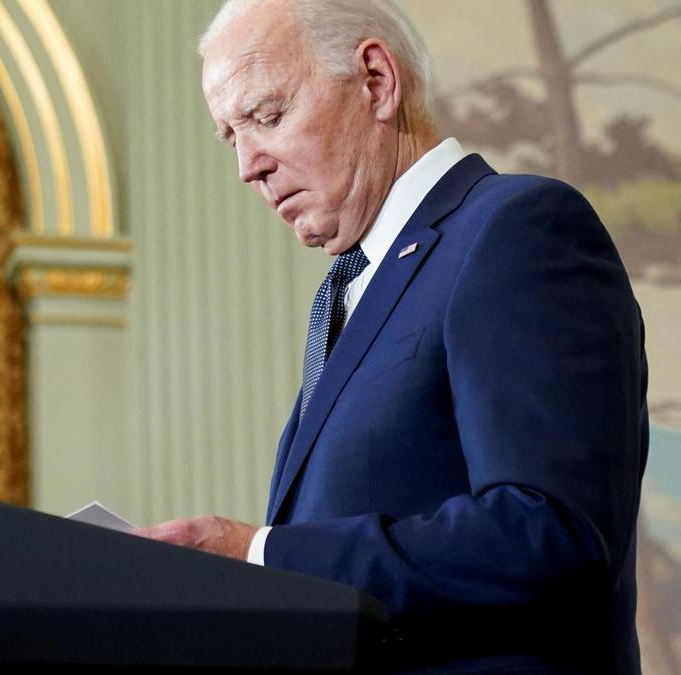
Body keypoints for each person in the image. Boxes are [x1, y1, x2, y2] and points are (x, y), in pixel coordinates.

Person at [135, 1, 649, 672]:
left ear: (376, 80)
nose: (247, 167)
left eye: (266, 117)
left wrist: (260, 554)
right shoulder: (348, 290)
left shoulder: (514, 230)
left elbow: (551, 532)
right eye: (230, 135)